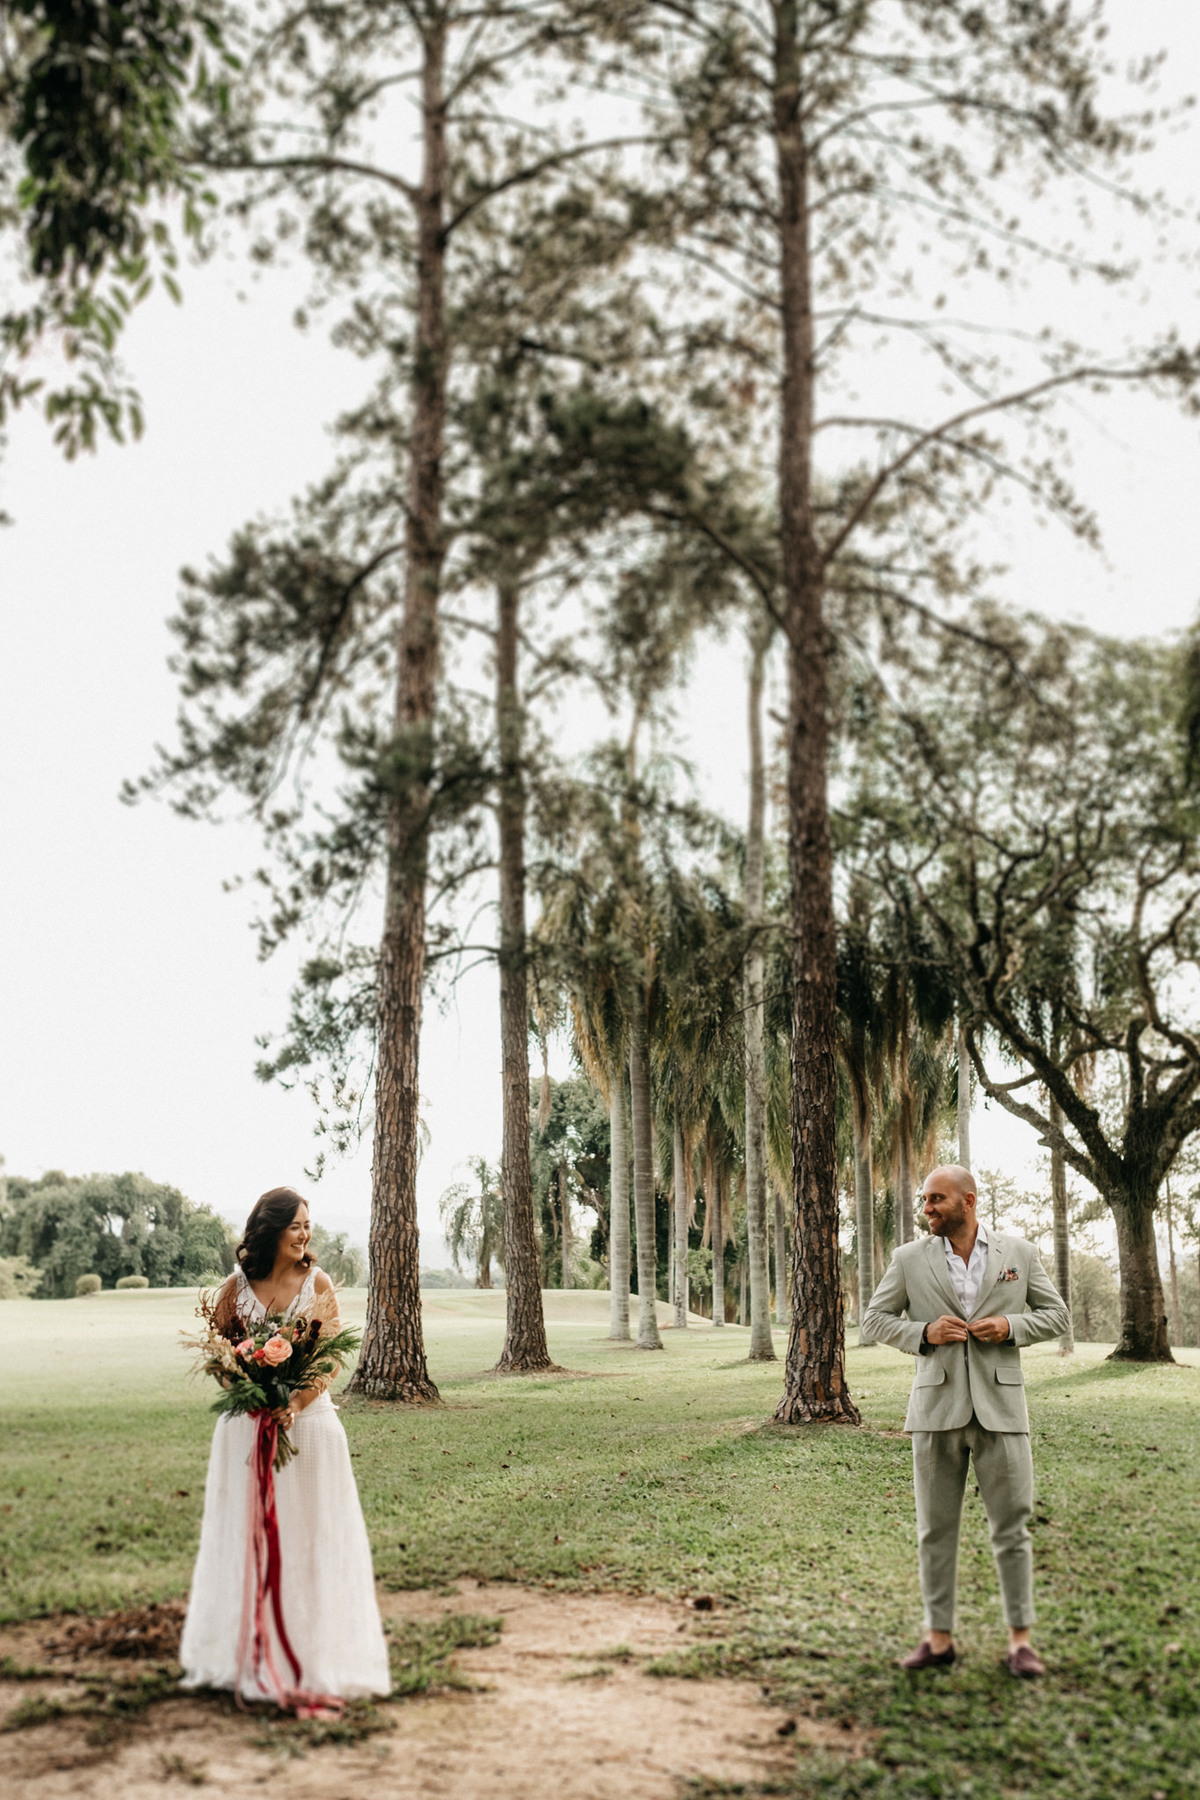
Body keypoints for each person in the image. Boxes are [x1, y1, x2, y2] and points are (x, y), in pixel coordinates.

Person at [180, 1186, 390, 1703]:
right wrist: (250, 1395)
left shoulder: (316, 1283)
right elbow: (220, 1359)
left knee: (310, 1537)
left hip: (309, 1427)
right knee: (245, 1534)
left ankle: (311, 1656)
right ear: (271, 1229)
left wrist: (292, 1405)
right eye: (295, 1225)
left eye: (307, 1224)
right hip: (246, 1432)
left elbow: (328, 1359)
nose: (305, 1233)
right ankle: (247, 1652)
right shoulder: (235, 1289)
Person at [862, 1165, 1068, 1678]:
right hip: (936, 1411)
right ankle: (938, 1640)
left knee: (1012, 1528)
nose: (927, 1208)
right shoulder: (908, 1259)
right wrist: (925, 1331)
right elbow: (874, 1319)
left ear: (968, 1202)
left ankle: (1020, 1642)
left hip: (1003, 1410)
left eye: (937, 1199)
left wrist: (1012, 1325)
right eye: (925, 1199)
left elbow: (1058, 1314)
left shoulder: (1018, 1254)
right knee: (935, 1529)